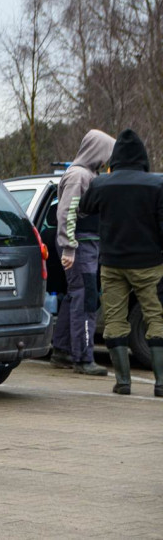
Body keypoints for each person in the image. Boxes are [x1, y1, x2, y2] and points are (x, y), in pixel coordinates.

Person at [79, 128, 163, 397]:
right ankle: (160, 384)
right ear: (142, 157)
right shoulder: (156, 185)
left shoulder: (102, 184)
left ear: (114, 158)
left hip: (113, 263)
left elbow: (85, 207)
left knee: (115, 320)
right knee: (155, 317)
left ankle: (123, 382)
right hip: (150, 264)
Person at [51, 130, 114, 375]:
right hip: (79, 246)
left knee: (75, 295)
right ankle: (84, 358)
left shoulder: (87, 174)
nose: (108, 159)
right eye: (107, 153)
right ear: (98, 151)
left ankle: (62, 350)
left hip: (84, 245)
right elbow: (66, 212)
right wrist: (69, 247)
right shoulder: (79, 176)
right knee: (85, 299)